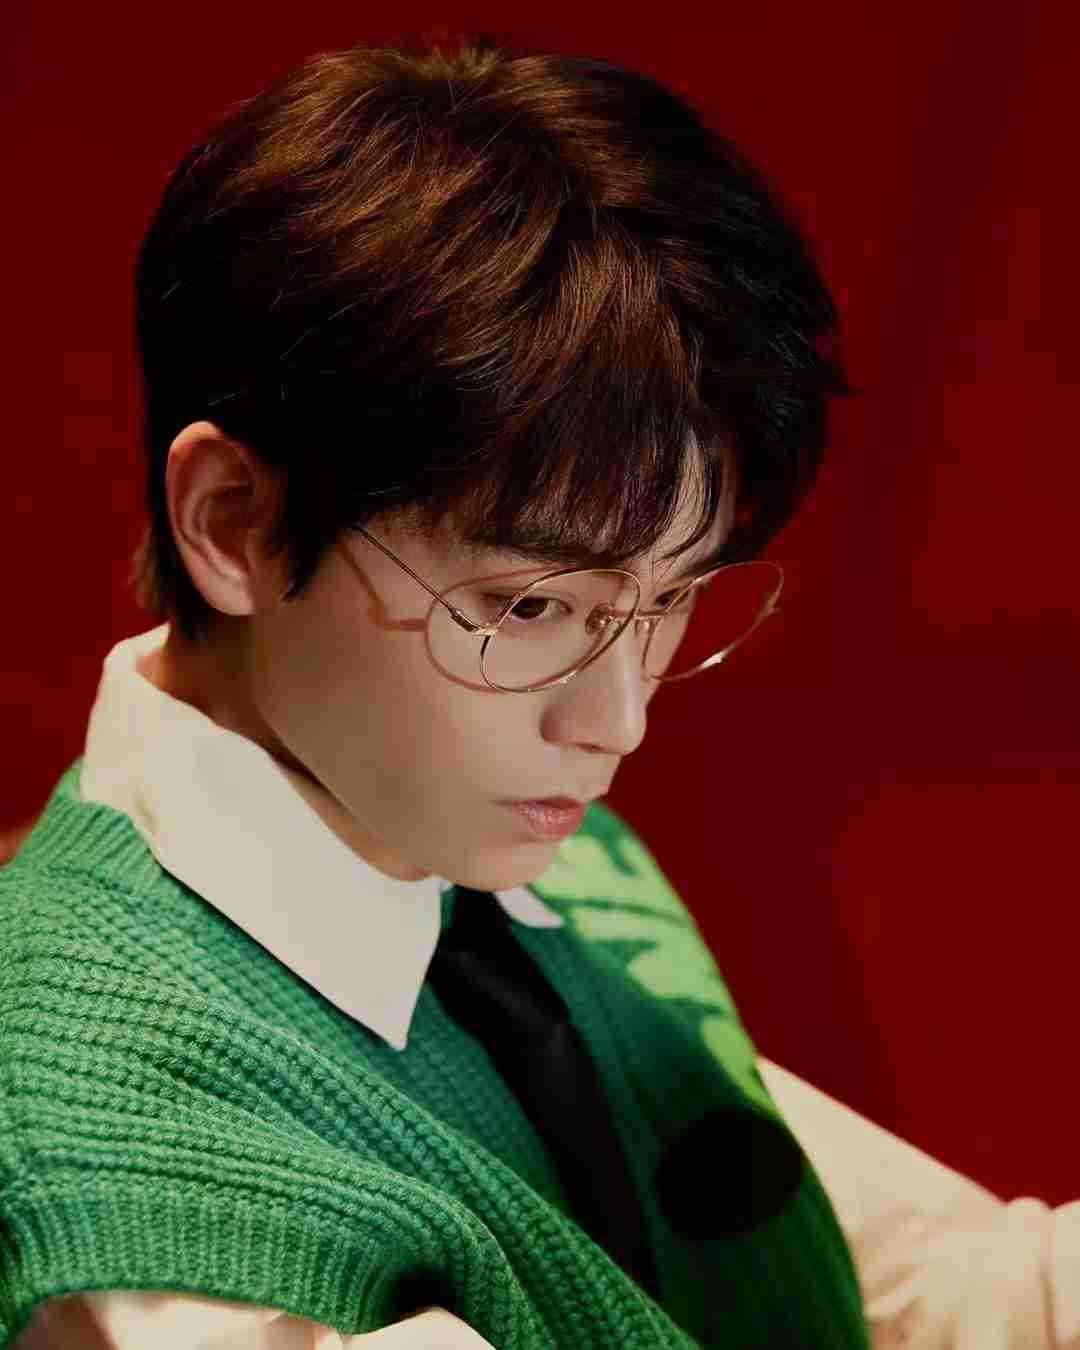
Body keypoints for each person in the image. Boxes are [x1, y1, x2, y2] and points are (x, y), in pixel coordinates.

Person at [2, 32, 1076, 1350]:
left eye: (671, 598)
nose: (618, 721)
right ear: (233, 523)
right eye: (529, 607)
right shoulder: (125, 1138)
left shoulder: (498, 866)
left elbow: (926, 1289)